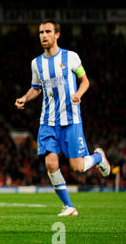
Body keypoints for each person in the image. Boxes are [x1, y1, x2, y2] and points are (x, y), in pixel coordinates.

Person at [15, 20, 111, 216]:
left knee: (77, 167)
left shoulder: (71, 57)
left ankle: (99, 157)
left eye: (48, 31)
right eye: (41, 32)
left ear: (57, 34)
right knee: (51, 163)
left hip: (71, 121)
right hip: (48, 122)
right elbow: (36, 88)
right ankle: (69, 206)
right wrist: (25, 98)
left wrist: (79, 94)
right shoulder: (37, 63)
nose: (43, 35)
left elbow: (85, 81)